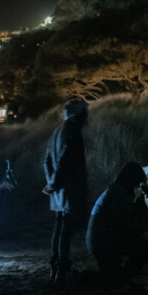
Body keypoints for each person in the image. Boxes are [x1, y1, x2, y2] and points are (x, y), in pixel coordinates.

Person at [43, 97, 90, 284]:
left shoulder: (56, 131)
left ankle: (55, 266)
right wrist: (54, 183)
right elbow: (65, 160)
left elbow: (47, 159)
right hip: (69, 189)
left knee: (59, 226)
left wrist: (50, 182)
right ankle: (61, 269)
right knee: (65, 230)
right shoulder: (73, 132)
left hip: (58, 190)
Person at [86, 162, 148, 288]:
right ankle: (82, 277)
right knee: (145, 248)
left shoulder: (113, 190)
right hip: (104, 242)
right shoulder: (118, 194)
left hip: (98, 240)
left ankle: (80, 277)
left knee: (109, 278)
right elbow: (122, 222)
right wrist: (140, 232)